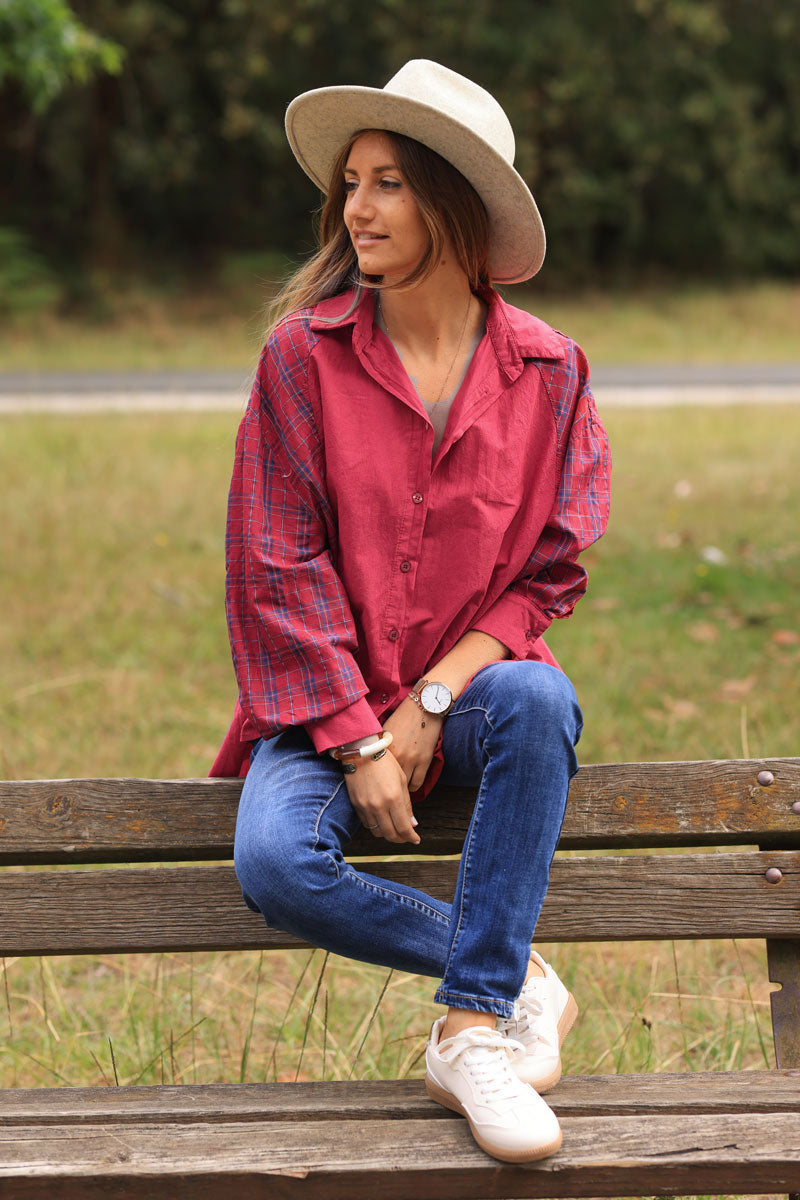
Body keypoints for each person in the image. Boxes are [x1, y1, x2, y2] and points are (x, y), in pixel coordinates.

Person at [211, 59, 611, 1163]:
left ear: (452, 202)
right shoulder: (303, 358)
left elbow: (548, 571)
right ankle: (510, 975)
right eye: (350, 183)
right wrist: (353, 740)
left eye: (387, 182)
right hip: (322, 703)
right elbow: (272, 567)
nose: (356, 208)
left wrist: (436, 697)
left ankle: (466, 1031)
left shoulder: (550, 372)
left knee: (536, 697)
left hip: (473, 702)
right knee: (276, 865)